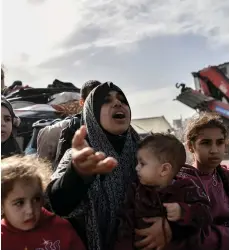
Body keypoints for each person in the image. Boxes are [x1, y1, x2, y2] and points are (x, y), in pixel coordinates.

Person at [46, 82, 171, 250]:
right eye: (106, 100)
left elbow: (176, 193)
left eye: (122, 100)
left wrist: (167, 223)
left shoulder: (148, 152)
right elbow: (58, 205)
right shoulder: (81, 156)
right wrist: (77, 174)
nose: (118, 103)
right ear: (92, 112)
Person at [115, 133, 212, 250]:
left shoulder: (187, 189)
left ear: (164, 169)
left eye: (142, 163)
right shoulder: (136, 190)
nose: (136, 168)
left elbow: (206, 214)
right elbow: (125, 225)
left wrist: (182, 211)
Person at [1, 155, 86, 250]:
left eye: (36, 199)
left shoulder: (60, 228)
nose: (30, 211)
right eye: (19, 203)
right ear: (2, 205)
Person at [177, 112, 229, 250]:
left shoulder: (224, 176)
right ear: (190, 146)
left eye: (219, 142)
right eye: (205, 143)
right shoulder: (181, 183)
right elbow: (192, 237)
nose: (214, 150)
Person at [36, 80, 101, 164]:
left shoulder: (116, 129)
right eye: (93, 99)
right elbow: (43, 169)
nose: (100, 104)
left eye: (105, 100)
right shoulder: (55, 131)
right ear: (82, 102)